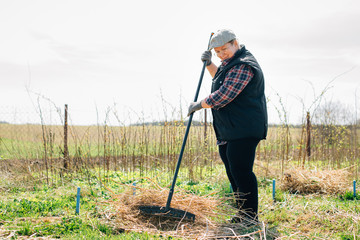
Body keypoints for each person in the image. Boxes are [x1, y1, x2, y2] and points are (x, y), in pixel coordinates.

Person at [188, 29, 268, 223]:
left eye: (224, 49)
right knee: (232, 170)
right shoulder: (230, 63)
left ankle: (250, 216)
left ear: (235, 43)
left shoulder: (244, 65)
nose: (222, 54)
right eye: (217, 52)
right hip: (232, 127)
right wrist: (209, 64)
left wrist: (199, 104)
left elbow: (225, 94)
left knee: (241, 170)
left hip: (245, 127)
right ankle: (242, 213)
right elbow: (221, 78)